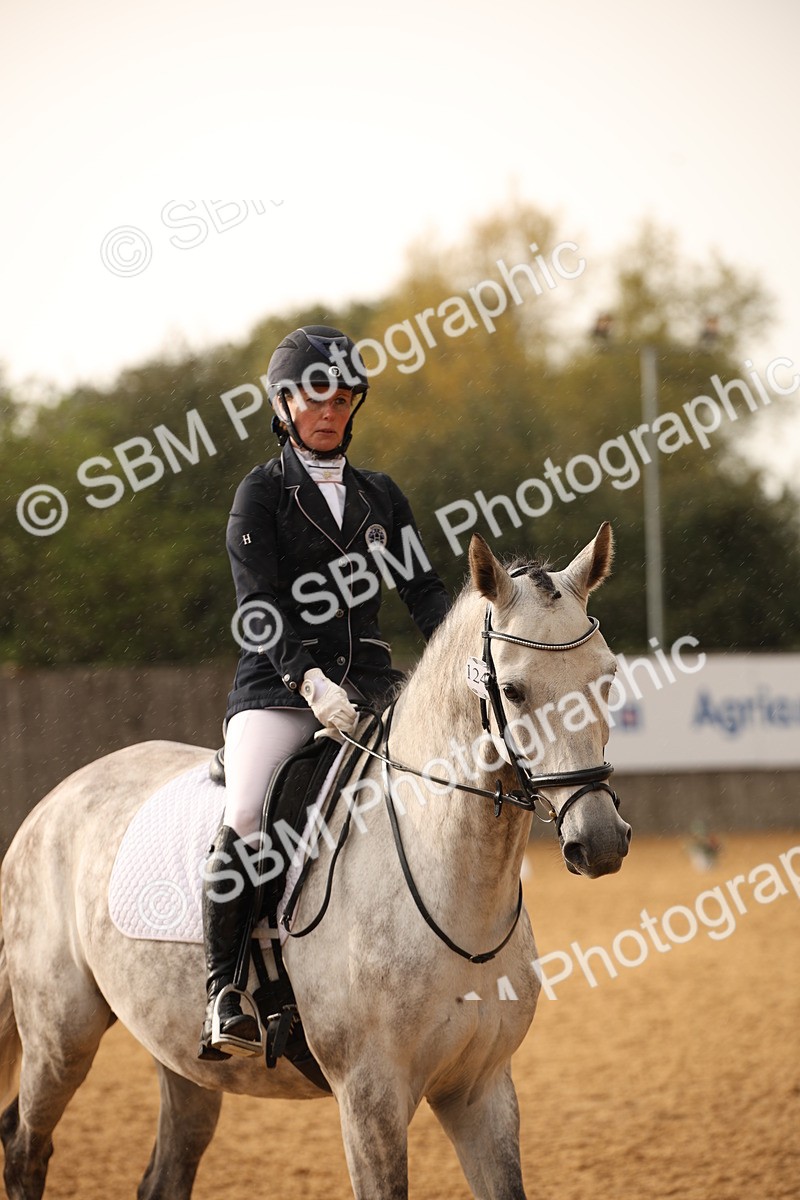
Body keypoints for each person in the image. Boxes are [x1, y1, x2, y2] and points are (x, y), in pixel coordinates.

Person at [199, 324, 451, 1060]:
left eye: (342, 399)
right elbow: (258, 607)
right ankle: (224, 989)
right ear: (283, 405)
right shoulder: (261, 494)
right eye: (315, 397)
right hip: (277, 690)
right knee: (249, 811)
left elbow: (424, 592)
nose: (330, 411)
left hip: (371, 687)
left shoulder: (380, 496)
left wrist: (462, 649)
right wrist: (308, 680)